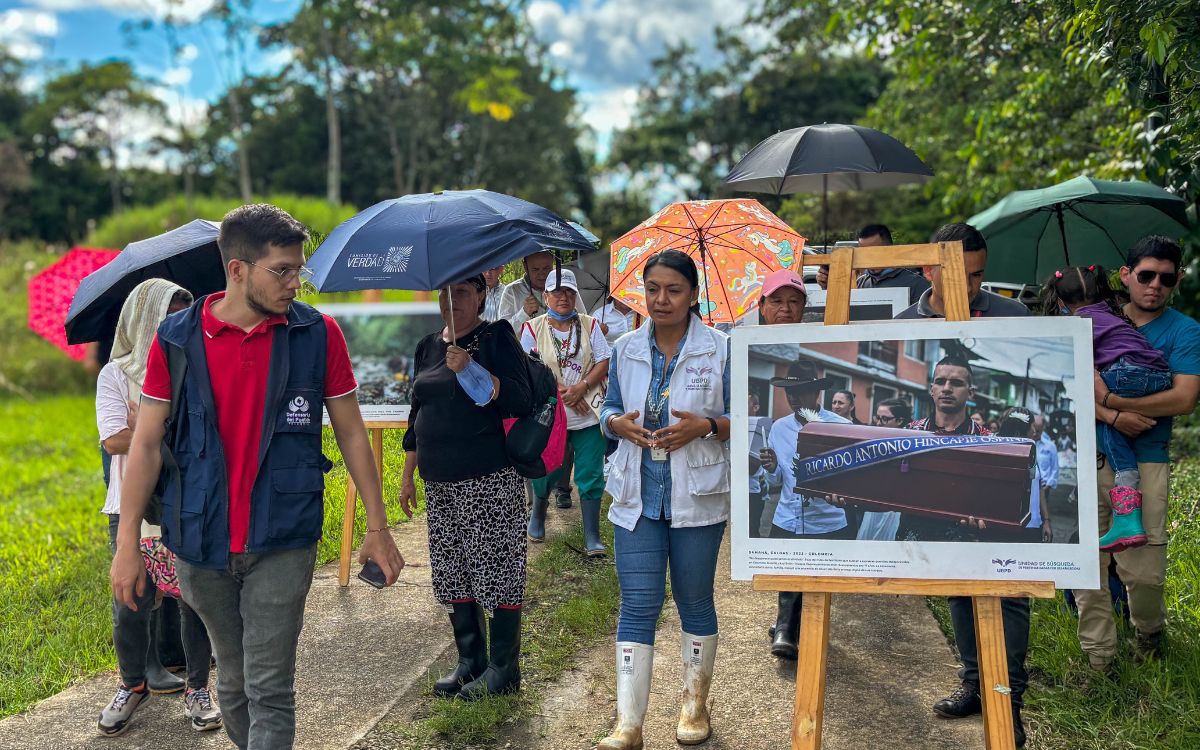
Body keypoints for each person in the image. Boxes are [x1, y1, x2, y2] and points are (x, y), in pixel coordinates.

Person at [110, 204, 405, 750]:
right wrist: (127, 545)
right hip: (200, 539)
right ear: (238, 269)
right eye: (282, 271)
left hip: (283, 537)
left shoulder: (317, 335)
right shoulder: (175, 341)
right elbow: (146, 445)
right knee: (234, 680)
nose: (295, 282)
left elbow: (351, 432)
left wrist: (377, 526)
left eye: (298, 269)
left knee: (270, 686)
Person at [598, 249, 730, 749]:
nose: (661, 299)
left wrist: (707, 427)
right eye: (653, 288)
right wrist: (616, 425)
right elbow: (611, 406)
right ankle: (628, 724)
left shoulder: (720, 349)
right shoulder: (625, 346)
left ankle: (695, 705)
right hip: (637, 492)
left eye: (674, 289)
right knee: (637, 603)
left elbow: (744, 419)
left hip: (696, 493)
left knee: (694, 599)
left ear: (693, 294)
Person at [95, 279, 222, 736]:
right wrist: (165, 428)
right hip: (131, 505)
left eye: (186, 317)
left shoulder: (192, 368)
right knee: (130, 600)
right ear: (146, 320)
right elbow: (114, 439)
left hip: (187, 501)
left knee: (195, 599)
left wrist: (148, 425)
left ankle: (198, 688)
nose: (179, 327)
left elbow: (209, 430)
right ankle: (132, 685)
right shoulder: (114, 375)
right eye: (170, 317)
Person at [402, 273, 535, 700]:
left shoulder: (496, 337)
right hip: (439, 483)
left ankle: (504, 668)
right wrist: (408, 473)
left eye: (461, 291)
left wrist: (473, 369)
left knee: (498, 572)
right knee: (454, 571)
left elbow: (521, 399)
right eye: (444, 291)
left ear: (481, 295)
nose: (451, 299)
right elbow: (415, 413)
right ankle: (470, 660)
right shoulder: (427, 346)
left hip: (488, 480)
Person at [1076, 236, 1200, 672]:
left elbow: (1183, 399)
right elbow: (1069, 387)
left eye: (1166, 279)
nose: (1155, 286)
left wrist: (1113, 405)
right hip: (1088, 458)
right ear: (1125, 275)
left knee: (1144, 572)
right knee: (1087, 566)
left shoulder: (1186, 331)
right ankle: (1099, 660)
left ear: (1177, 281)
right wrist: (1112, 417)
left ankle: (1149, 632)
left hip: (1147, 458)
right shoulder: (1089, 320)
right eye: (1146, 275)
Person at [901, 354, 1030, 746]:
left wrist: (985, 518)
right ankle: (974, 687)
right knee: (959, 600)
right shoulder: (910, 432)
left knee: (1010, 604)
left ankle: (1010, 706)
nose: (946, 389)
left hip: (983, 541)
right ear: (930, 387)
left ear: (970, 393)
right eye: (941, 381)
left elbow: (1010, 499)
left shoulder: (991, 441)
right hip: (933, 539)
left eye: (956, 383)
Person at [1042, 264, 1172, 552]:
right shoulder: (1112, 314)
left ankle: (1127, 518)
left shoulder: (1079, 323)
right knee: (1111, 428)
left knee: (1108, 429)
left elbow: (1077, 371)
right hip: (1158, 376)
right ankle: (1127, 518)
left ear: (1061, 302)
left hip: (1126, 375)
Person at [759, 360, 852, 659]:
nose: (795, 398)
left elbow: (852, 482)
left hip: (827, 520)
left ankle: (798, 626)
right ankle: (785, 627)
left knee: (818, 580)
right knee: (787, 575)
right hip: (787, 516)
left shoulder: (842, 428)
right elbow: (776, 479)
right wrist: (771, 468)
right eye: (790, 393)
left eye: (801, 391)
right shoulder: (779, 428)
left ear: (816, 393)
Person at [519, 268, 611, 556]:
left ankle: (592, 535)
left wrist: (582, 386)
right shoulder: (532, 328)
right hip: (550, 416)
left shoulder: (590, 324)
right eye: (557, 291)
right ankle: (538, 515)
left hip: (588, 414)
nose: (564, 297)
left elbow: (604, 359)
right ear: (545, 296)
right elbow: (529, 367)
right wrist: (563, 392)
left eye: (570, 291)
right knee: (546, 467)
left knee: (590, 472)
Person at [895, 223, 1030, 319]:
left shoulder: (1016, 316)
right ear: (928, 270)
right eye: (956, 275)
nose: (967, 288)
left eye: (976, 275)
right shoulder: (901, 326)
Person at [815, 224, 931, 305]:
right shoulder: (861, 283)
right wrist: (828, 287)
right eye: (862, 251)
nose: (866, 256)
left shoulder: (917, 284)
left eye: (873, 251)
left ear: (890, 249)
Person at [994, 407, 1053, 543]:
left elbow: (1038, 487)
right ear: (1020, 431)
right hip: (1007, 526)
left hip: (1033, 525)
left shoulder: (1031, 453)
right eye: (1032, 426)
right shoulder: (999, 453)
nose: (1034, 430)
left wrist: (1046, 521)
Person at [497, 250, 586, 329]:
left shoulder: (566, 289)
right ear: (525, 267)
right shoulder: (512, 291)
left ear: (553, 264)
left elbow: (584, 321)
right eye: (535, 269)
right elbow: (503, 332)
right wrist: (524, 313)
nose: (542, 274)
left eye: (546, 268)